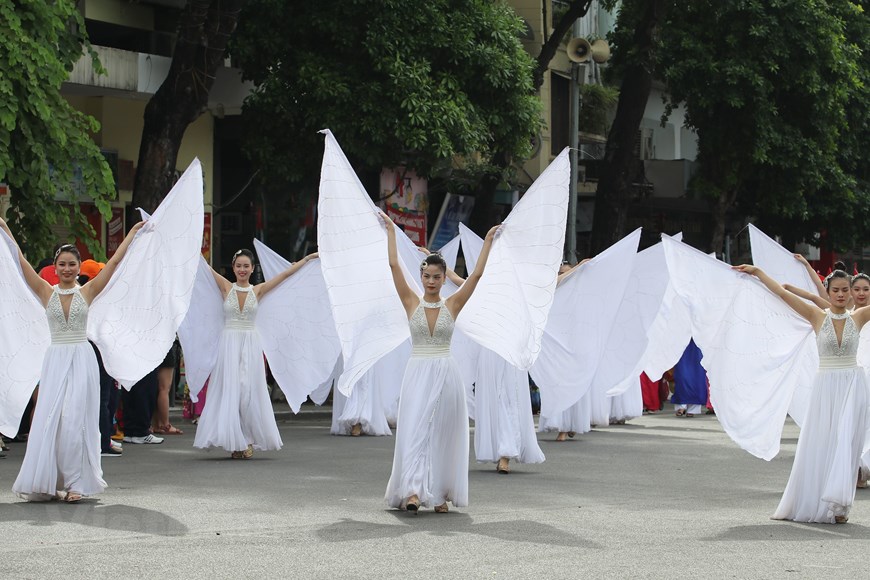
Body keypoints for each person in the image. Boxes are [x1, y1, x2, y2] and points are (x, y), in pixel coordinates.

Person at [4, 218, 144, 502]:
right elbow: (19, 261)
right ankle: (49, 480)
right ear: (55, 268)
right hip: (55, 359)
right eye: (62, 264)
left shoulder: (88, 291)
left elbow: (115, 263)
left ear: (79, 267)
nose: (67, 269)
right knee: (51, 419)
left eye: (71, 264)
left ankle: (77, 483)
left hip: (82, 359)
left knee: (78, 420)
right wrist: (5, 227)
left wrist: (131, 234)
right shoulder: (45, 291)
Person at [382, 212, 499, 512]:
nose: (432, 281)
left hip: (446, 373)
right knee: (415, 428)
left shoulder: (453, 303)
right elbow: (394, 265)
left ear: (444, 278)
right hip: (418, 371)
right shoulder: (410, 301)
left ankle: (439, 493)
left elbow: (476, 276)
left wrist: (487, 242)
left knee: (442, 432)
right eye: (427, 276)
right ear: (421, 277)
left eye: (437, 277)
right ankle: (412, 490)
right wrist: (390, 232)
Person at [734, 266, 870, 523]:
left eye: (845, 290)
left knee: (846, 444)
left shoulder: (860, 317)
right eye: (836, 291)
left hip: (853, 385)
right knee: (822, 443)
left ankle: (839, 506)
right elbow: (782, 295)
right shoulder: (817, 315)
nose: (841, 295)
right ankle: (816, 501)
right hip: (826, 387)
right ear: (828, 292)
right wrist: (759, 272)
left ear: (851, 293)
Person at [192, 248, 317, 459]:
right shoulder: (225, 287)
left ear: (252, 269)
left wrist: (308, 258)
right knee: (231, 392)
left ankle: (247, 439)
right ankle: (236, 442)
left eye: (246, 266)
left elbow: (285, 275)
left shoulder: (257, 290)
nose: (242, 269)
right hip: (229, 344)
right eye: (238, 266)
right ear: (233, 267)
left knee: (247, 391)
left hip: (250, 344)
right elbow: (202, 266)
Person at [152, 339, 183, 435]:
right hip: (165, 344)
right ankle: (165, 424)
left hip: (152, 345)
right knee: (164, 389)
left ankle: (156, 424)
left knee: (156, 388)